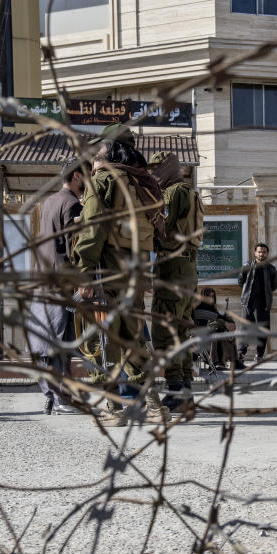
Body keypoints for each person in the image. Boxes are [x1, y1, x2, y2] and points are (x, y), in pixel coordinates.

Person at [73, 123, 170, 426]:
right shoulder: (144, 184)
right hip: (136, 272)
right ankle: (154, 407)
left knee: (96, 340)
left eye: (99, 147)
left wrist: (84, 275)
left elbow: (92, 232)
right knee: (133, 339)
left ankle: (112, 409)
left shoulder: (103, 181)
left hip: (107, 270)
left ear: (109, 149)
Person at [27, 157, 86, 415]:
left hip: (42, 280)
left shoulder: (48, 202)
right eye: (84, 177)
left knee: (45, 339)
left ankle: (50, 394)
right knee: (61, 340)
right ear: (76, 177)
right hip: (61, 282)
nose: (86, 182)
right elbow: (73, 246)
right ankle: (60, 397)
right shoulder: (72, 204)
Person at [148, 151, 203, 411]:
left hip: (173, 267)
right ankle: (185, 392)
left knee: (165, 333)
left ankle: (175, 394)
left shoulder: (172, 193)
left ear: (169, 167)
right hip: (186, 267)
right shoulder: (189, 191)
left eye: (157, 168)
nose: (153, 173)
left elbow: (162, 227)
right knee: (180, 333)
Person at [236, 242, 277, 362]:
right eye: (259, 252)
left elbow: (274, 286)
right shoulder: (247, 266)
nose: (261, 254)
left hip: (263, 303)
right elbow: (240, 281)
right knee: (245, 329)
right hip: (248, 302)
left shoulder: (271, 269)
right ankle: (240, 354)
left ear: (267, 254)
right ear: (255, 253)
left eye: (264, 252)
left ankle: (259, 355)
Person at [192, 287, 243, 370]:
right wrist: (224, 323)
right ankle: (215, 362)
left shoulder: (213, 308)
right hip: (203, 340)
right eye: (208, 296)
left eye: (212, 296)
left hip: (215, 337)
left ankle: (234, 361)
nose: (211, 298)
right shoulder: (199, 308)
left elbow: (221, 317)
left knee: (227, 333)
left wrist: (230, 322)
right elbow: (208, 324)